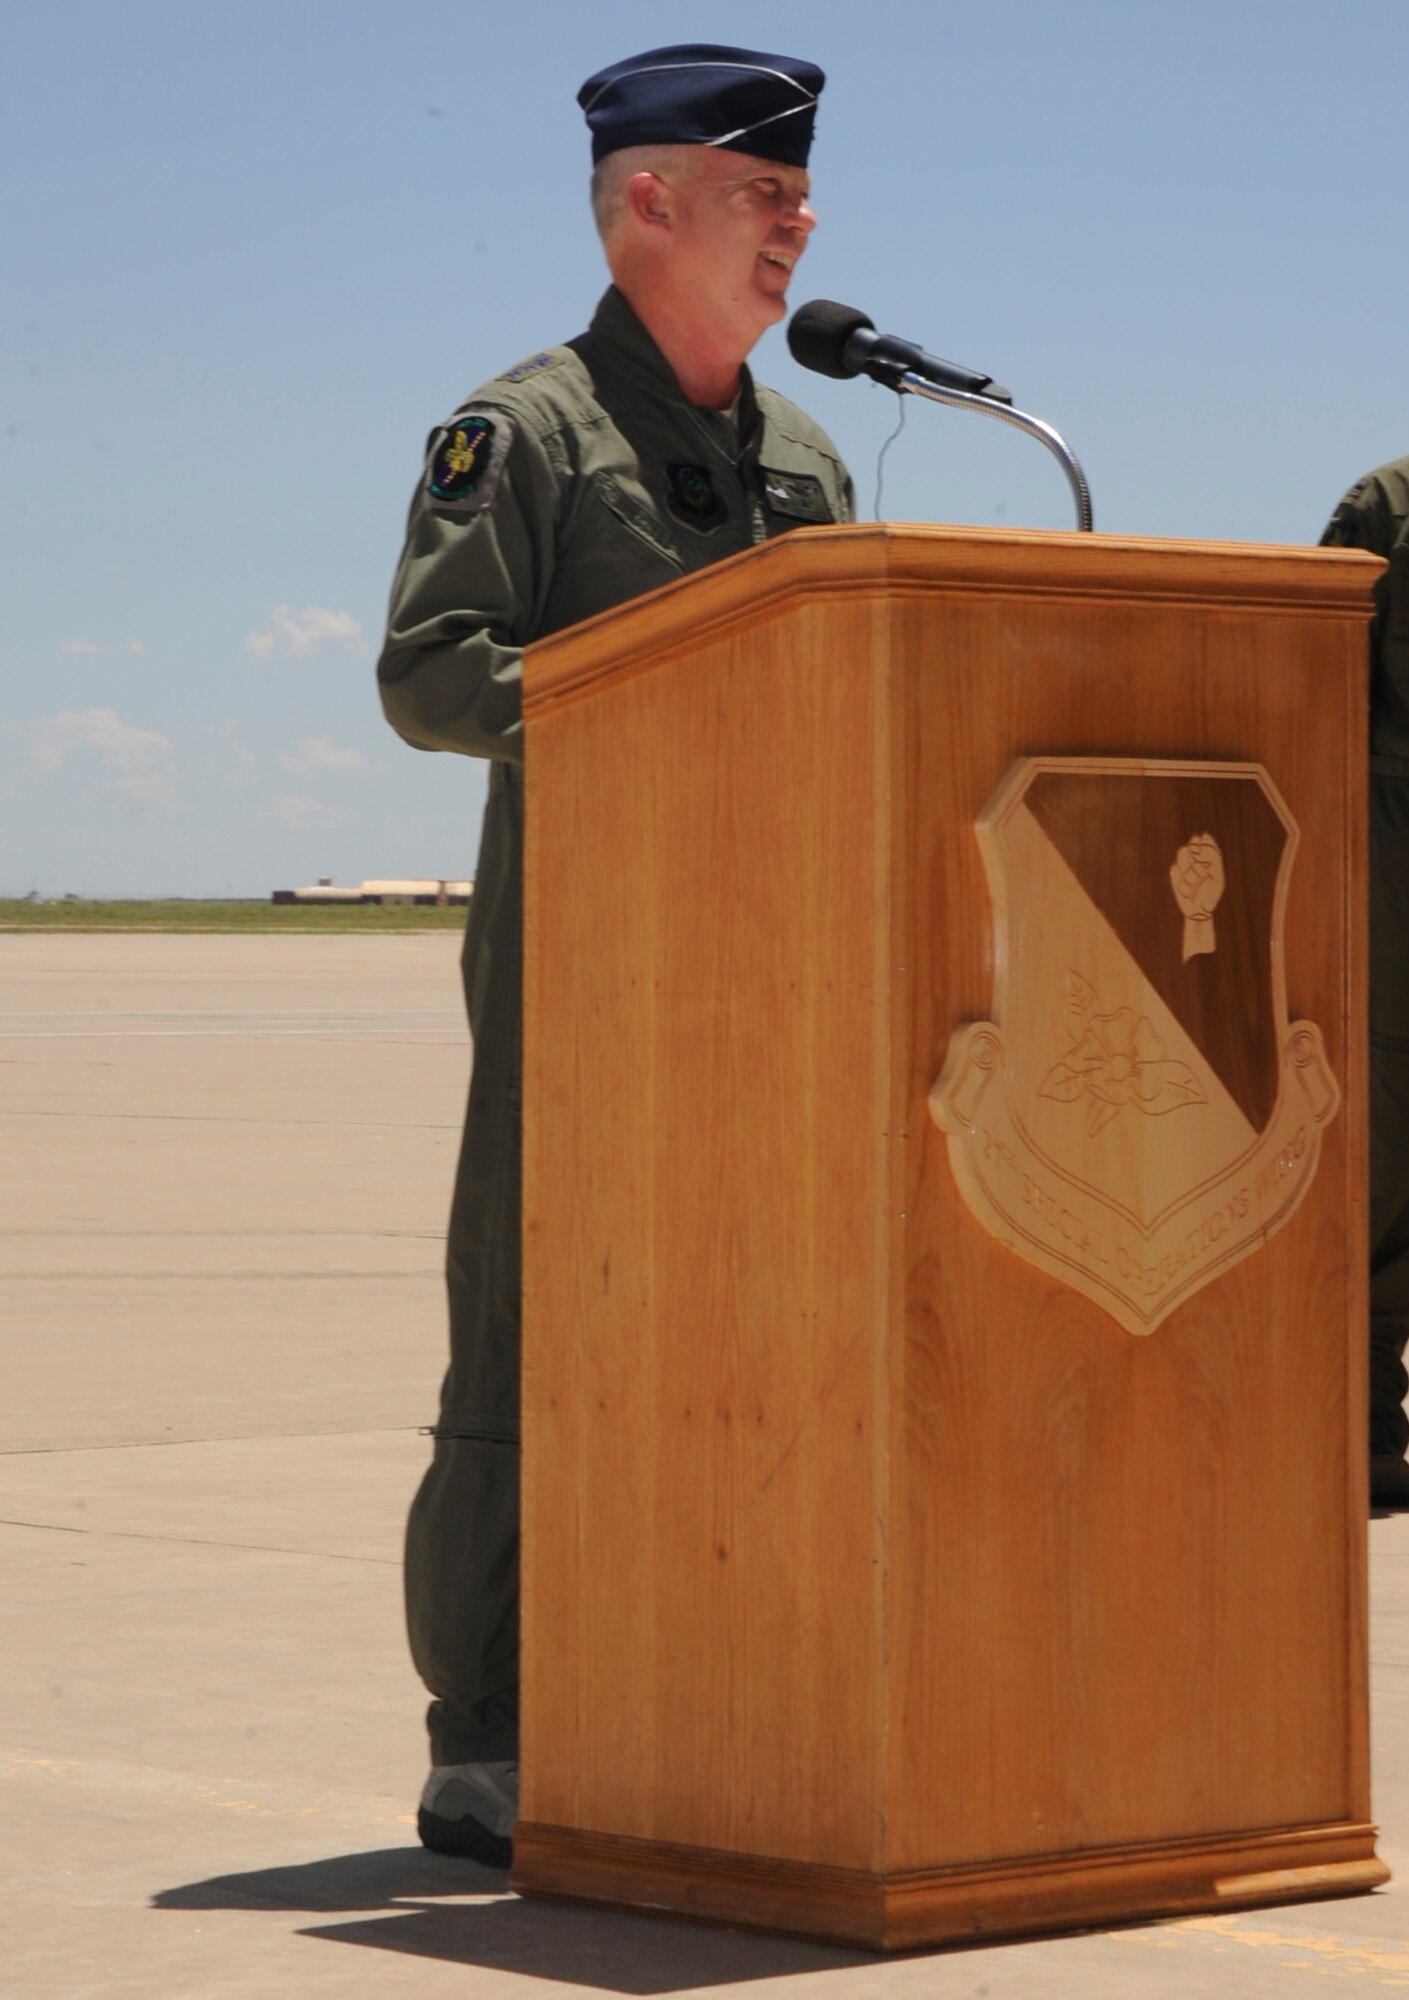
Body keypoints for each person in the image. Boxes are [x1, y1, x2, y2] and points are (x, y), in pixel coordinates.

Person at [376, 43, 854, 1867]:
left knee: (748, 1325)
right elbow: (431, 676)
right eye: (764, 191)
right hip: (590, 960)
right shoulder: (529, 428)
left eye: (802, 194)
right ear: (650, 200)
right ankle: (486, 1726)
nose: (799, 221)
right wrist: (666, 699)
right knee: (532, 1316)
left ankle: (706, 1672)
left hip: (787, 961)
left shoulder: (803, 451)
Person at [1320, 448, 1409, 1511]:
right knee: (1387, 1160)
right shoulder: (1392, 507)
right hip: (1404, 863)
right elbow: (1320, 696)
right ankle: (1357, 1432)